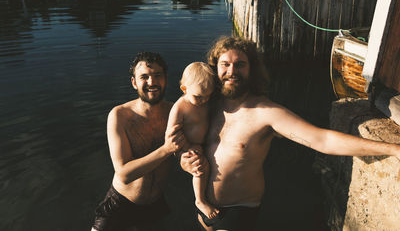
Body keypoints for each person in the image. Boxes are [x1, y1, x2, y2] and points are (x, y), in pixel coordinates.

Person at [179, 36, 400, 231]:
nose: (232, 71)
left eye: (240, 65)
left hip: (238, 212)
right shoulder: (206, 105)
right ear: (215, 68)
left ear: (252, 69)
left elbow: (321, 139)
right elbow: (181, 144)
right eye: (225, 64)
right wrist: (183, 162)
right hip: (203, 209)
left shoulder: (266, 112)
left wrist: (392, 148)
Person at [91, 52, 186, 231]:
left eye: (158, 75)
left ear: (166, 79)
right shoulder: (120, 116)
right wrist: (166, 150)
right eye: (144, 77)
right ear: (134, 82)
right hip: (120, 205)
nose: (152, 82)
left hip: (155, 206)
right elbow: (124, 174)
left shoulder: (176, 112)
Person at [166, 62, 219, 221]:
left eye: (208, 96)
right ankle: (200, 200)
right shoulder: (180, 107)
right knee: (200, 168)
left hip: (202, 143)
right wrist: (187, 148)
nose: (204, 100)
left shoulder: (204, 100)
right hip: (187, 146)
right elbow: (170, 134)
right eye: (199, 96)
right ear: (184, 89)